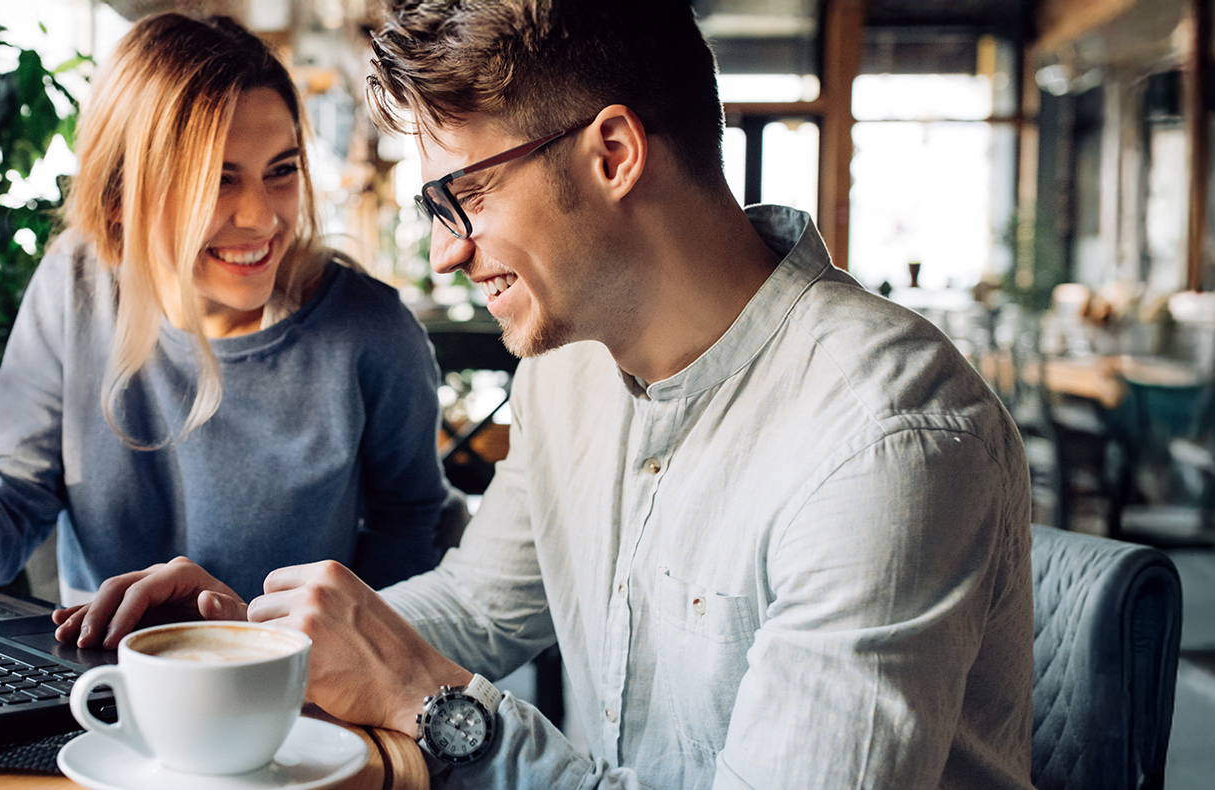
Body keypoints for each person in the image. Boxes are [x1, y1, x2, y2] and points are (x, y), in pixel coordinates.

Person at [52, 0, 1037, 787]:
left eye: (463, 196)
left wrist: (434, 705)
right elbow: (481, 607)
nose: (443, 251)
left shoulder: (883, 440)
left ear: (612, 154)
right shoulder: (566, 371)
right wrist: (244, 646)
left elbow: (439, 676)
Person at [0, 13, 454, 604]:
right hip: (106, 692)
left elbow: (410, 530)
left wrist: (323, 660)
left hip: (292, 697)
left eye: (282, 170)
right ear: (118, 200)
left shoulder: (371, 331)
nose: (263, 218)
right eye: (219, 179)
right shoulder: (76, 285)